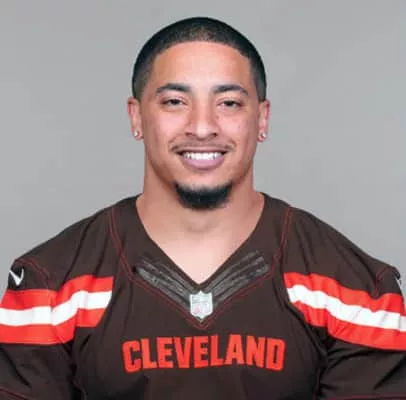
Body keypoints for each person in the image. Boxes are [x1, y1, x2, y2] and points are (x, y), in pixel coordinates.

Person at [0, 16, 405, 400]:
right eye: (175, 101)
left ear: (262, 119)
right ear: (136, 116)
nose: (202, 127)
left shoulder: (356, 292)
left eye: (229, 103)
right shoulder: (49, 286)